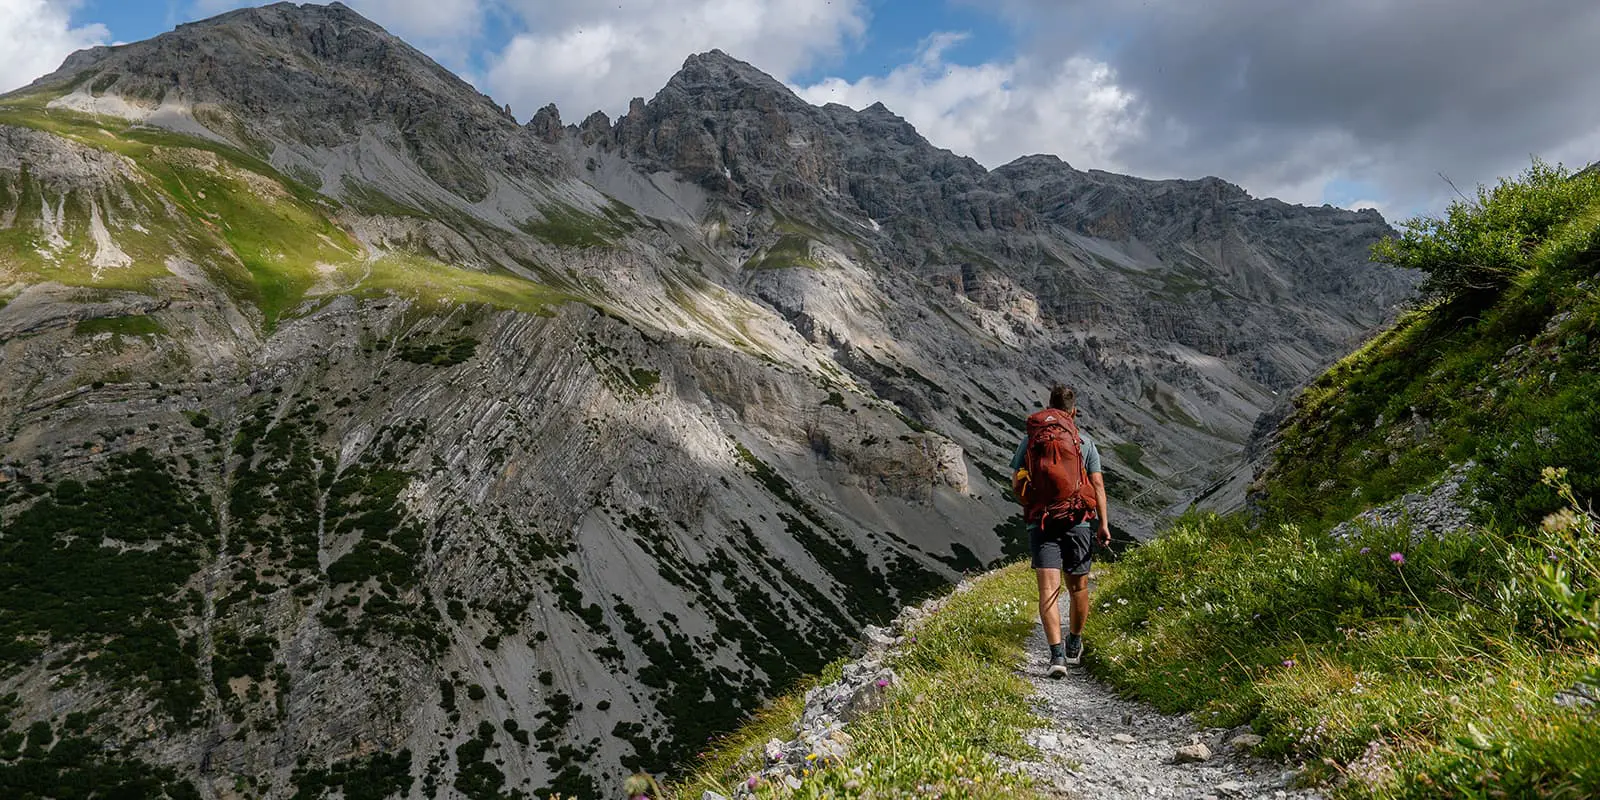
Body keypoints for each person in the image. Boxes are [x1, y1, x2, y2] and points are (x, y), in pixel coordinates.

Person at [1010, 384, 1111, 678]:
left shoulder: (1030, 441)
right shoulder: (1084, 442)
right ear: (1074, 411)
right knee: (1078, 588)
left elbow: (1017, 483)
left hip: (1042, 522)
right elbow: (1099, 485)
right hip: (1078, 521)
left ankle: (1056, 657)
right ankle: (1073, 644)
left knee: (1048, 591)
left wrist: (1031, 504)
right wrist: (1102, 524)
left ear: (1049, 407)